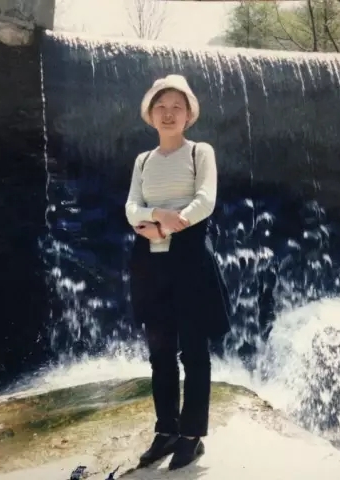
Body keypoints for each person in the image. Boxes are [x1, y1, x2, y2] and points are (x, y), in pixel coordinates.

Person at [125, 74, 232, 471]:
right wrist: (155, 216)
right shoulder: (143, 160)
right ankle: (166, 430)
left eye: (177, 107)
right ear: (150, 114)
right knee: (160, 354)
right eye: (161, 107)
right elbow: (131, 207)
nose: (168, 114)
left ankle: (192, 436)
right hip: (150, 266)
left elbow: (205, 200)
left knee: (194, 352)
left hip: (191, 262)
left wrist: (167, 227)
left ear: (189, 115)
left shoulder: (200, 152)